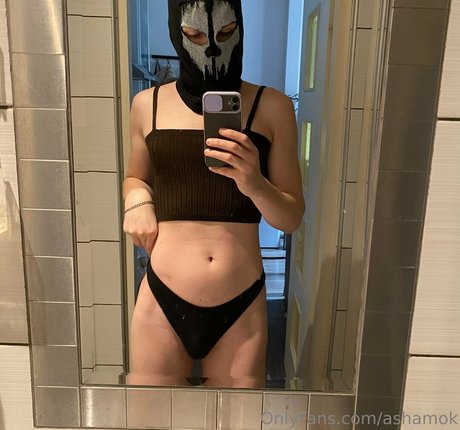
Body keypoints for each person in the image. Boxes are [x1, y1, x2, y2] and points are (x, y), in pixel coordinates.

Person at [123, 0, 304, 388]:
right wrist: (137, 202)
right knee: (150, 416)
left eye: (224, 33)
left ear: (240, 27)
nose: (211, 48)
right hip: (161, 299)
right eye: (194, 34)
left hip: (241, 305)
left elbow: (290, 218)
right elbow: (135, 177)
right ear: (177, 31)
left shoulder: (272, 107)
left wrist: (254, 182)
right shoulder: (146, 105)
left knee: (239, 417)